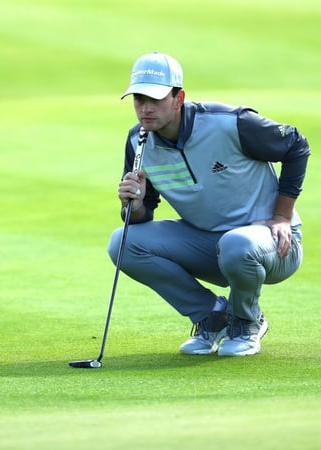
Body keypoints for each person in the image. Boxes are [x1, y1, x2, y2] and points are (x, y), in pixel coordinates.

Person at [111, 52, 309, 357]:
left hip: (273, 243)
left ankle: (246, 321)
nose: (145, 108)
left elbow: (297, 144)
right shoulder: (138, 141)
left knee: (237, 243)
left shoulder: (232, 123)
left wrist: (282, 216)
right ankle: (212, 317)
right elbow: (142, 213)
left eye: (155, 98)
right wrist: (134, 205)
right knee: (122, 242)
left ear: (179, 98)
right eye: (138, 99)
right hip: (208, 243)